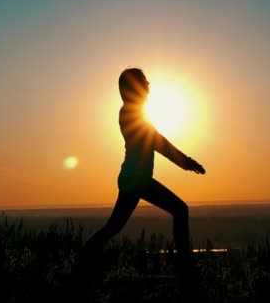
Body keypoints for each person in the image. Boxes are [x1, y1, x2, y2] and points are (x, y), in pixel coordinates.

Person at [77, 67, 206, 277]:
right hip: (137, 180)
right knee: (180, 210)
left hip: (133, 179)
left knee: (113, 227)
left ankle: (83, 260)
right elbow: (158, 142)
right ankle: (185, 266)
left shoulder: (132, 112)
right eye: (144, 83)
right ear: (135, 88)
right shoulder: (131, 113)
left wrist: (186, 162)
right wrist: (187, 162)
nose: (148, 87)